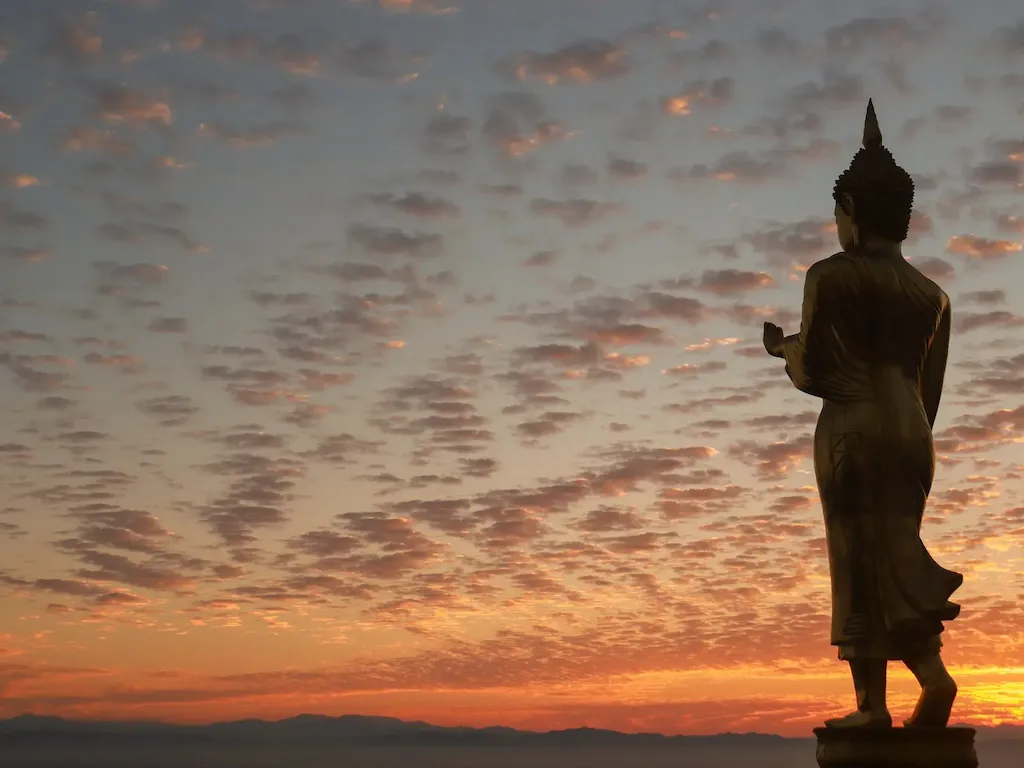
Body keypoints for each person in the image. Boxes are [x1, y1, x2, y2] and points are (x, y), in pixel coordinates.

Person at [762, 100, 963, 729]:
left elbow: (816, 370)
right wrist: (912, 434)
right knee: (895, 546)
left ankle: (872, 705)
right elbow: (931, 386)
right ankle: (931, 676)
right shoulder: (932, 295)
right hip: (912, 431)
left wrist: (783, 349)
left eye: (837, 215)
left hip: (854, 424)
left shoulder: (832, 276)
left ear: (849, 209)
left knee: (856, 553)